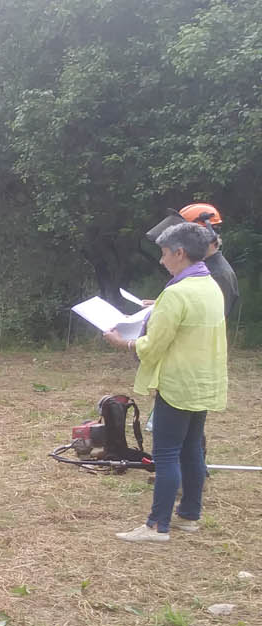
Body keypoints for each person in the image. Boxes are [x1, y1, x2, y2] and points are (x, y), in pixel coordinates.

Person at [103, 222, 227, 542]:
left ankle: (157, 525)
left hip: (177, 383)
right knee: (192, 449)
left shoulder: (176, 293)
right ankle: (189, 515)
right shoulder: (209, 285)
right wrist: (157, 307)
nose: (161, 260)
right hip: (202, 381)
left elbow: (153, 346)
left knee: (167, 453)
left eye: (164, 253)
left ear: (180, 253)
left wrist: (124, 343)